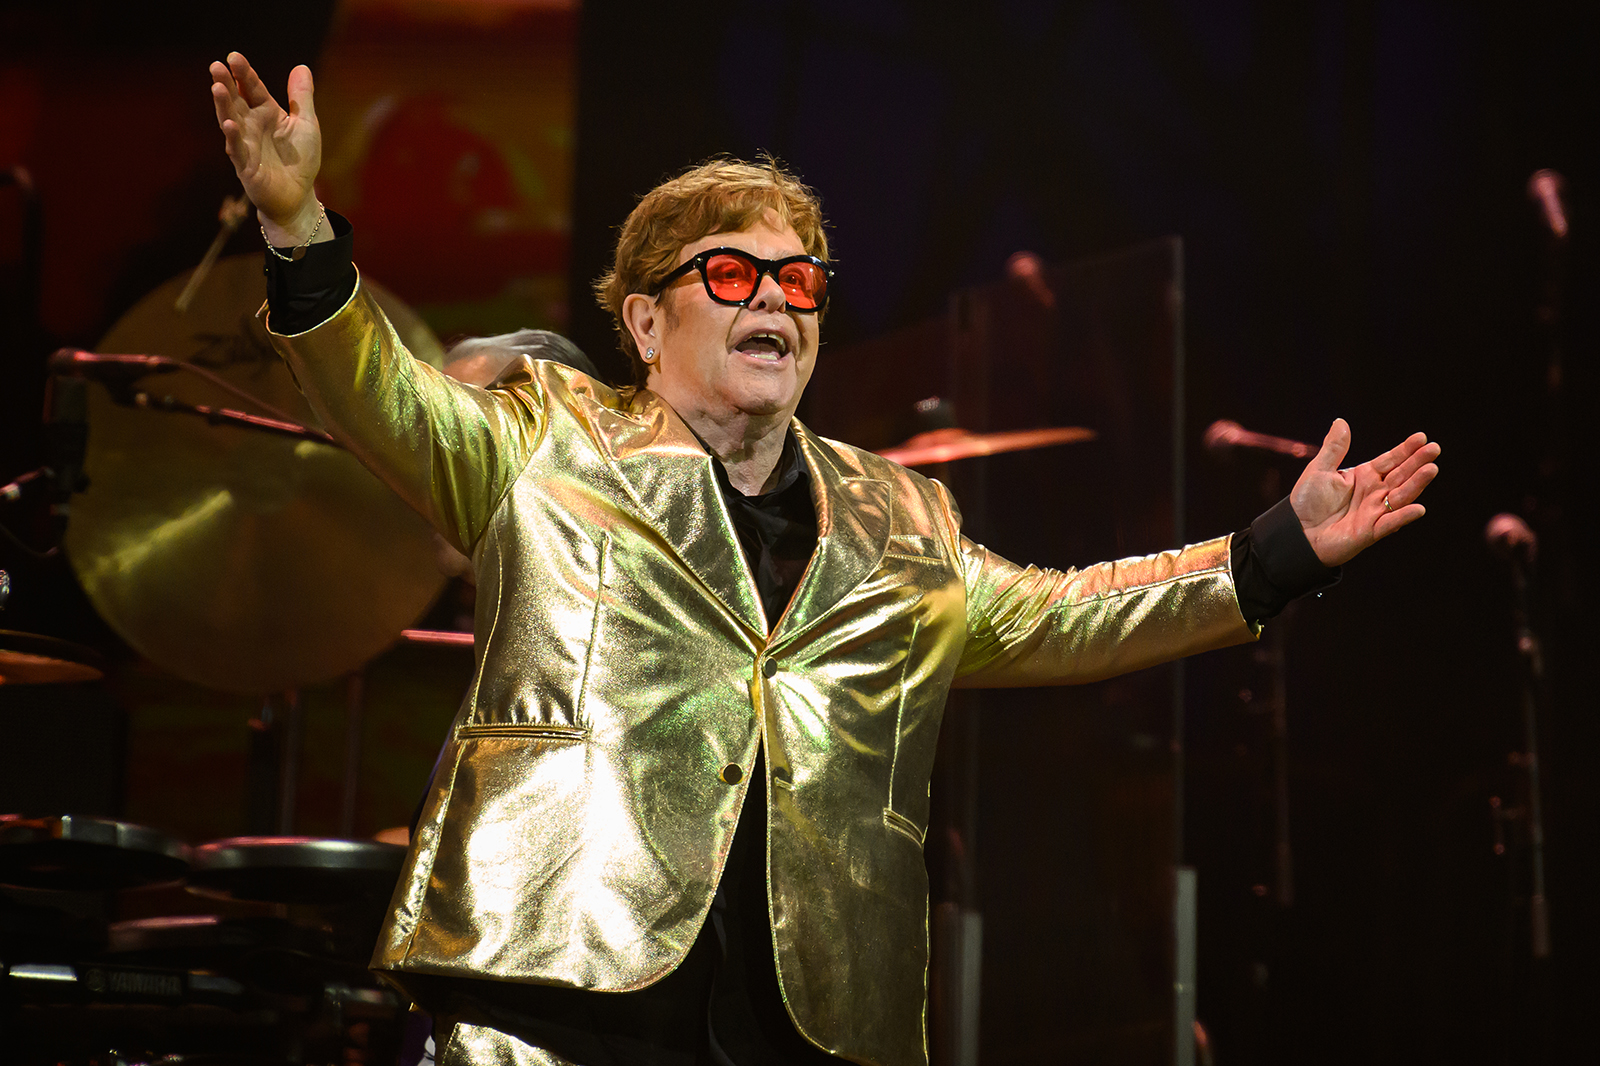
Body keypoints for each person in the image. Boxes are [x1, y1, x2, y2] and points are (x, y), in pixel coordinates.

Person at [210, 53, 1439, 1066]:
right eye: (733, 274)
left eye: (799, 280)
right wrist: (298, 225)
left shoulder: (901, 515)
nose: (778, 302)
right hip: (562, 982)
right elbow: (382, 396)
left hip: (812, 1017)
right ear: (645, 320)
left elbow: (1065, 617)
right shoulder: (546, 439)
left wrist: (1274, 552)